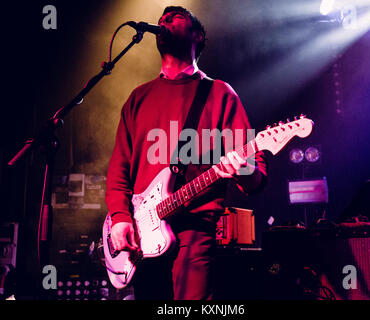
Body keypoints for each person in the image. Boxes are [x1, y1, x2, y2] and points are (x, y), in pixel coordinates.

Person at [105, 6, 267, 300]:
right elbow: (119, 168)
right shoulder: (138, 98)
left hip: (195, 230)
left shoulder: (219, 94)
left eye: (176, 18)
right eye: (163, 19)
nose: (165, 19)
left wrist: (243, 168)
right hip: (143, 236)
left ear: (198, 36)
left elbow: (256, 178)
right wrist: (119, 217)